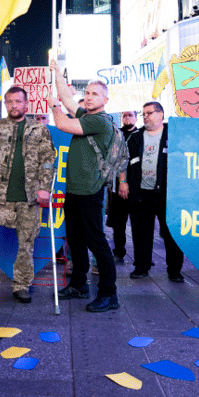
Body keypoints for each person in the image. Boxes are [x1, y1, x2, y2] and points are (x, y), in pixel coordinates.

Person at [50, 63, 121, 313]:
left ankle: (109, 293)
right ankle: (79, 285)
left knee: (96, 242)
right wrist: (56, 74)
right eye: (88, 93)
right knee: (76, 240)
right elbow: (69, 100)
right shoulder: (87, 116)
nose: (89, 97)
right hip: (74, 189)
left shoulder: (100, 122)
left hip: (90, 190)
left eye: (95, 94)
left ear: (105, 100)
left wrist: (53, 106)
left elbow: (62, 123)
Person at [0, 86, 57, 303]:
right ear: (5, 104)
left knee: (27, 242)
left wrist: (45, 188)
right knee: (5, 233)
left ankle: (21, 285)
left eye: (18, 102)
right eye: (9, 102)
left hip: (30, 195)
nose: (14, 105)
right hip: (1, 195)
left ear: (26, 104)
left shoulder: (39, 129)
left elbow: (48, 160)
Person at [119, 101, 184, 282]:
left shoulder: (174, 133)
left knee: (171, 234)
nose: (145, 116)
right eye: (143, 113)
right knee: (140, 233)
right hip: (140, 193)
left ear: (161, 114)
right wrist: (123, 182)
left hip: (168, 195)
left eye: (149, 113)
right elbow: (123, 161)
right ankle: (141, 267)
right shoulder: (135, 137)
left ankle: (175, 270)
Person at [106, 110, 140, 264]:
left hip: (137, 186)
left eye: (130, 115)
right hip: (117, 186)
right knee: (118, 223)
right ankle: (119, 251)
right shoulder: (116, 135)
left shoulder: (141, 136)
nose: (127, 118)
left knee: (139, 224)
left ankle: (142, 256)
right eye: (125, 115)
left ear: (136, 117)